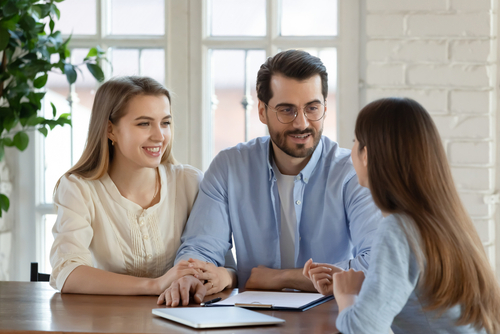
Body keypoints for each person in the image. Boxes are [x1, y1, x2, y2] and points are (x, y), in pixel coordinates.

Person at [157, 50, 382, 307]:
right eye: (287, 110)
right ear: (262, 111)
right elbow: (200, 249)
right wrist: (191, 277)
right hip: (251, 320)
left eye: (312, 108)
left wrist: (280, 278)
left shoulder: (351, 172)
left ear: (325, 109)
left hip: (331, 317)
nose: (302, 123)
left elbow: (377, 263)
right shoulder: (229, 167)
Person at [303, 97, 500, 334]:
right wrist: (361, 285)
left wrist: (348, 295)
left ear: (367, 155)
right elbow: (418, 297)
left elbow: (362, 329)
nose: (351, 151)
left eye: (355, 142)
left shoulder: (399, 228)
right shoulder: (440, 220)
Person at [50, 76, 206, 299]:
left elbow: (222, 265)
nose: (159, 136)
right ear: (110, 130)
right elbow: (68, 272)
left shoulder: (190, 182)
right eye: (144, 123)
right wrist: (155, 285)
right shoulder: (78, 188)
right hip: (103, 324)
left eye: (165, 122)